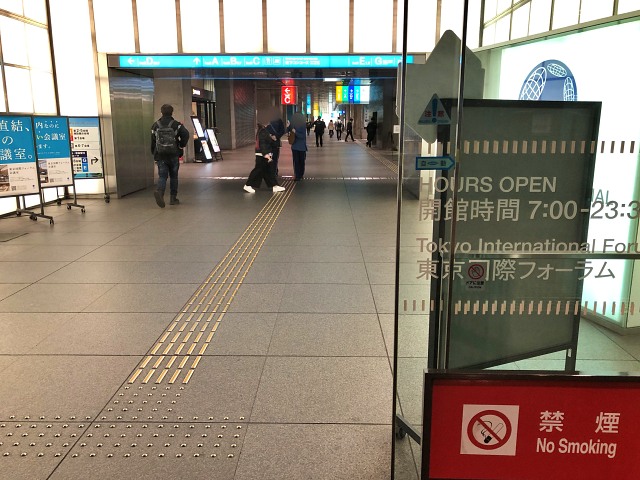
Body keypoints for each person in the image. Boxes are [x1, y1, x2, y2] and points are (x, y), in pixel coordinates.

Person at [151, 104, 190, 208]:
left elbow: (153, 141)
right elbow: (186, 134)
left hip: (161, 155)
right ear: (172, 112)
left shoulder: (155, 125)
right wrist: (181, 146)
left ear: (161, 112)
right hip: (174, 154)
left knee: (162, 176)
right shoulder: (176, 125)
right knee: (174, 176)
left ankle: (160, 193)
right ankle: (173, 198)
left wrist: (154, 153)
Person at [243, 124, 285, 194]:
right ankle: (248, 185)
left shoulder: (263, 130)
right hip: (262, 155)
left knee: (267, 171)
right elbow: (262, 144)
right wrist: (266, 154)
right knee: (258, 170)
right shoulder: (263, 131)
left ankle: (274, 185)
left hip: (262, 154)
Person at [287, 112, 308, 181]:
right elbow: (287, 131)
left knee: (300, 161)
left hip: (301, 147)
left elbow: (302, 136)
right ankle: (298, 175)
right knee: (297, 161)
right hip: (296, 146)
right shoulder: (293, 124)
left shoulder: (302, 125)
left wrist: (295, 132)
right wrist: (288, 127)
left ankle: (300, 174)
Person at [266, 108, 286, 176]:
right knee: (270, 158)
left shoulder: (278, 120)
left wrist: (276, 136)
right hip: (269, 143)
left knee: (274, 158)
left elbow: (282, 130)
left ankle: (273, 171)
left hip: (274, 143)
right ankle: (272, 171)